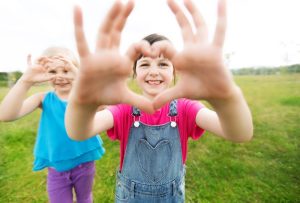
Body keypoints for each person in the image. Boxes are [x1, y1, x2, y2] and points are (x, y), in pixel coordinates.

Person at [66, 0, 253, 202]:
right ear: (134, 72)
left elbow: (240, 133)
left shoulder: (186, 108)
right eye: (145, 64)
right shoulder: (124, 110)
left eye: (163, 64)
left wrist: (226, 98)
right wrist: (83, 103)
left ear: (175, 71)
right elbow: (79, 132)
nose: (153, 72)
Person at [0, 46, 105, 203]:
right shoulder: (43, 99)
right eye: (53, 72)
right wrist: (26, 80)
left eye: (66, 70)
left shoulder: (85, 98)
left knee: (85, 198)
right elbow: (5, 114)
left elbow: (104, 105)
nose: (60, 77)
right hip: (57, 168)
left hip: (85, 162)